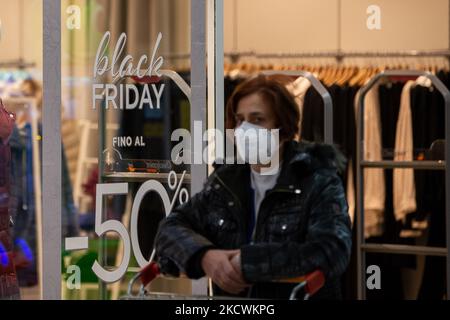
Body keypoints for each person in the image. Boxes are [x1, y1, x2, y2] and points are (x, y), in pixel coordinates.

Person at [155, 75, 352, 299]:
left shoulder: (316, 178)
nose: (245, 130)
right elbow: (170, 228)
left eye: (257, 119)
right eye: (240, 120)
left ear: (283, 127)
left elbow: (333, 249)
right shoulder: (225, 182)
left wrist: (248, 262)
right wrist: (205, 257)